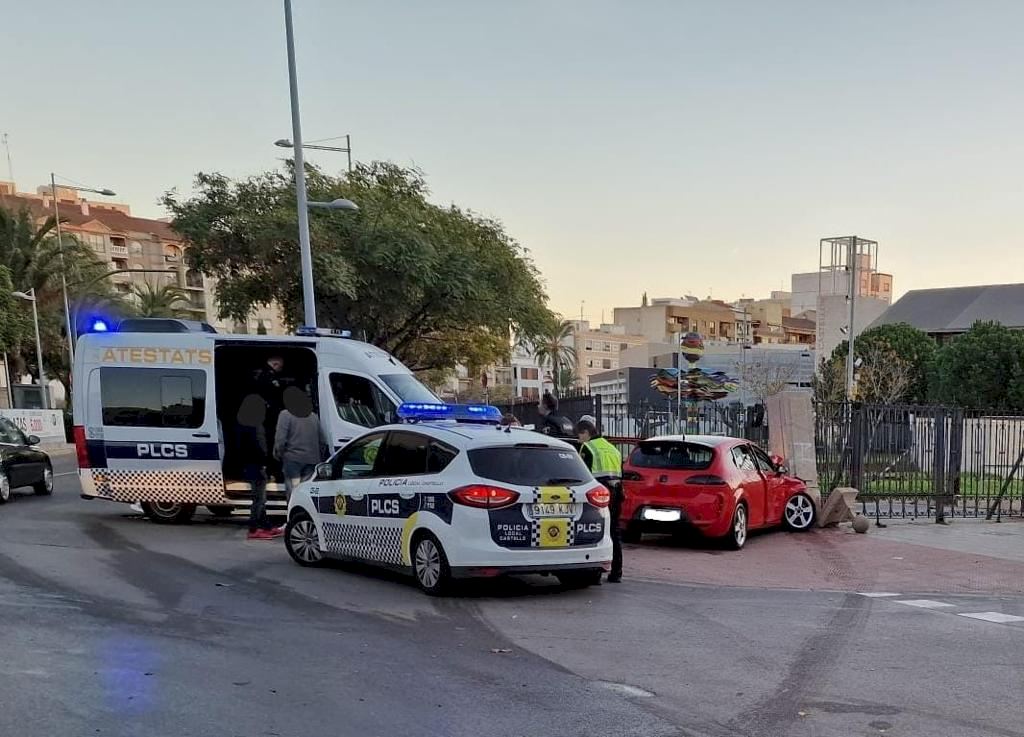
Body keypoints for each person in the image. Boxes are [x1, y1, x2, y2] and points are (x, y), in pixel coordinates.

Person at [577, 415, 624, 583]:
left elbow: (582, 475)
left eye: (579, 435)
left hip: (597, 495)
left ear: (585, 432)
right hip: (616, 493)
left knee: (594, 532)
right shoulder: (612, 448)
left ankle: (595, 574)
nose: (579, 439)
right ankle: (616, 572)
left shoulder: (588, 448)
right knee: (613, 532)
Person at [274, 386, 326, 502]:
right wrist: (320, 457)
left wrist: (279, 454)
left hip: (293, 460)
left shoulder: (285, 415)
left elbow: (280, 439)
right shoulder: (313, 416)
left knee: (293, 492)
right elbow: (322, 441)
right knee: (306, 491)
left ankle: (293, 511)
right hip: (312, 459)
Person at [237, 394, 275, 540]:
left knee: (259, 498)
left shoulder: (244, 425)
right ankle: (253, 529)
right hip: (257, 465)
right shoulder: (255, 426)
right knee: (259, 499)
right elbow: (260, 447)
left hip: (250, 465)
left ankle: (265, 525)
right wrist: (265, 464)